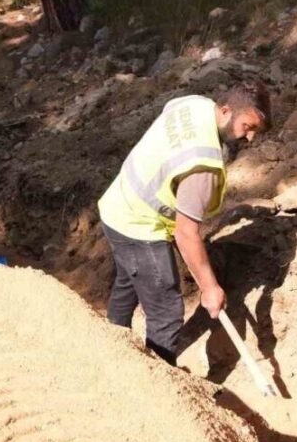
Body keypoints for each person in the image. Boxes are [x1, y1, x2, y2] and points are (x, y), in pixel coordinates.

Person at [97, 80, 272, 365]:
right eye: (247, 127)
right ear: (227, 111)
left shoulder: (194, 104)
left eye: (255, 132)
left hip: (118, 204)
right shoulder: (201, 167)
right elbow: (186, 233)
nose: (250, 138)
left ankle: (110, 347)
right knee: (165, 310)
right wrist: (210, 288)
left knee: (128, 280)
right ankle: (160, 385)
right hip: (139, 225)